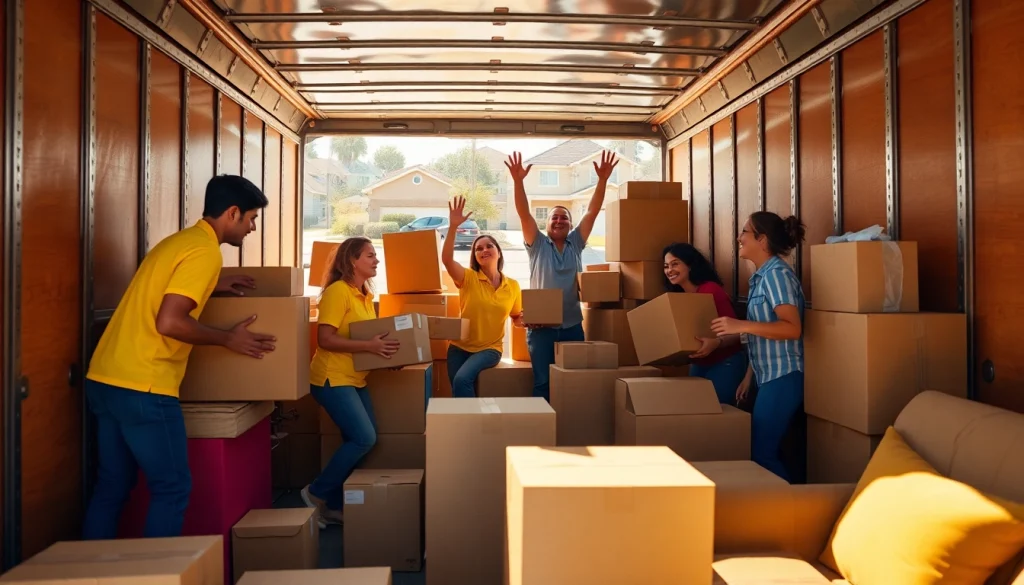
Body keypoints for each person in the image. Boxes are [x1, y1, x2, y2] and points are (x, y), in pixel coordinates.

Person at [82, 175, 274, 539]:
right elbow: (170, 322)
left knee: (112, 486)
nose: (251, 227)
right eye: (250, 218)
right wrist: (227, 339)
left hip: (106, 378)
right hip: (145, 386)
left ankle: (92, 574)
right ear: (232, 213)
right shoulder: (205, 252)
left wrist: (212, 284)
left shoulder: (180, 242)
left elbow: (162, 289)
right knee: (171, 489)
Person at [301, 236, 402, 529]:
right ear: (352, 261)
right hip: (331, 378)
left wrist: (385, 357)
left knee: (361, 440)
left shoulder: (365, 296)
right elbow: (325, 339)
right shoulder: (337, 292)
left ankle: (332, 506)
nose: (376, 260)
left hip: (355, 378)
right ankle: (315, 492)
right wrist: (370, 348)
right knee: (364, 438)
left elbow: (365, 340)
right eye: (370, 255)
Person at [506, 150, 618, 401]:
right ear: (547, 224)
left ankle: (569, 427)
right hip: (541, 328)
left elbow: (591, 212)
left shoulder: (576, 243)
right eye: (554, 217)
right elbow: (524, 213)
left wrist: (601, 180)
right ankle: (542, 431)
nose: (559, 220)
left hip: (572, 327)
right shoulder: (537, 244)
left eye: (564, 217)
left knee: (574, 382)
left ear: (570, 224)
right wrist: (518, 181)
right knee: (543, 383)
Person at [710, 211, 807, 482]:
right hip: (767, 376)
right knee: (766, 449)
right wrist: (749, 376)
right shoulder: (761, 278)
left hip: (785, 375)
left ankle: (791, 512)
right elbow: (764, 331)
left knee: (762, 452)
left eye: (744, 232)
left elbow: (792, 328)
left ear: (762, 240)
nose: (739, 238)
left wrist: (739, 326)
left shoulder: (776, 276)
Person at [440, 196, 525, 397]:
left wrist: (533, 320)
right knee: (459, 392)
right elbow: (446, 259)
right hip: (458, 349)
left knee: (462, 380)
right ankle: (469, 424)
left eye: (489, 246)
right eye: (478, 248)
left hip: (489, 349)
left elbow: (516, 318)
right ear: (475, 257)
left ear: (499, 252)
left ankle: (473, 427)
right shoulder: (468, 278)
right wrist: (453, 227)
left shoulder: (512, 285)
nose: (484, 250)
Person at [662, 242, 748, 405]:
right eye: (666, 266)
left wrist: (716, 343)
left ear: (690, 265)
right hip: (699, 364)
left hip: (725, 362)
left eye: (675, 264)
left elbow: (740, 333)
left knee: (717, 413)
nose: (669, 270)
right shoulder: (677, 298)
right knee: (698, 413)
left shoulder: (711, 290)